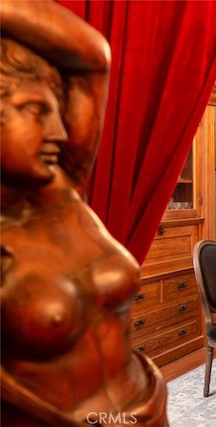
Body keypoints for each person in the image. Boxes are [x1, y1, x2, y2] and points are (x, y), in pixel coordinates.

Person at [0, 1, 168, 425]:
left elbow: (93, 57)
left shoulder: (63, 190)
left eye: (58, 110)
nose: (60, 132)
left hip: (146, 410)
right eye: (35, 111)